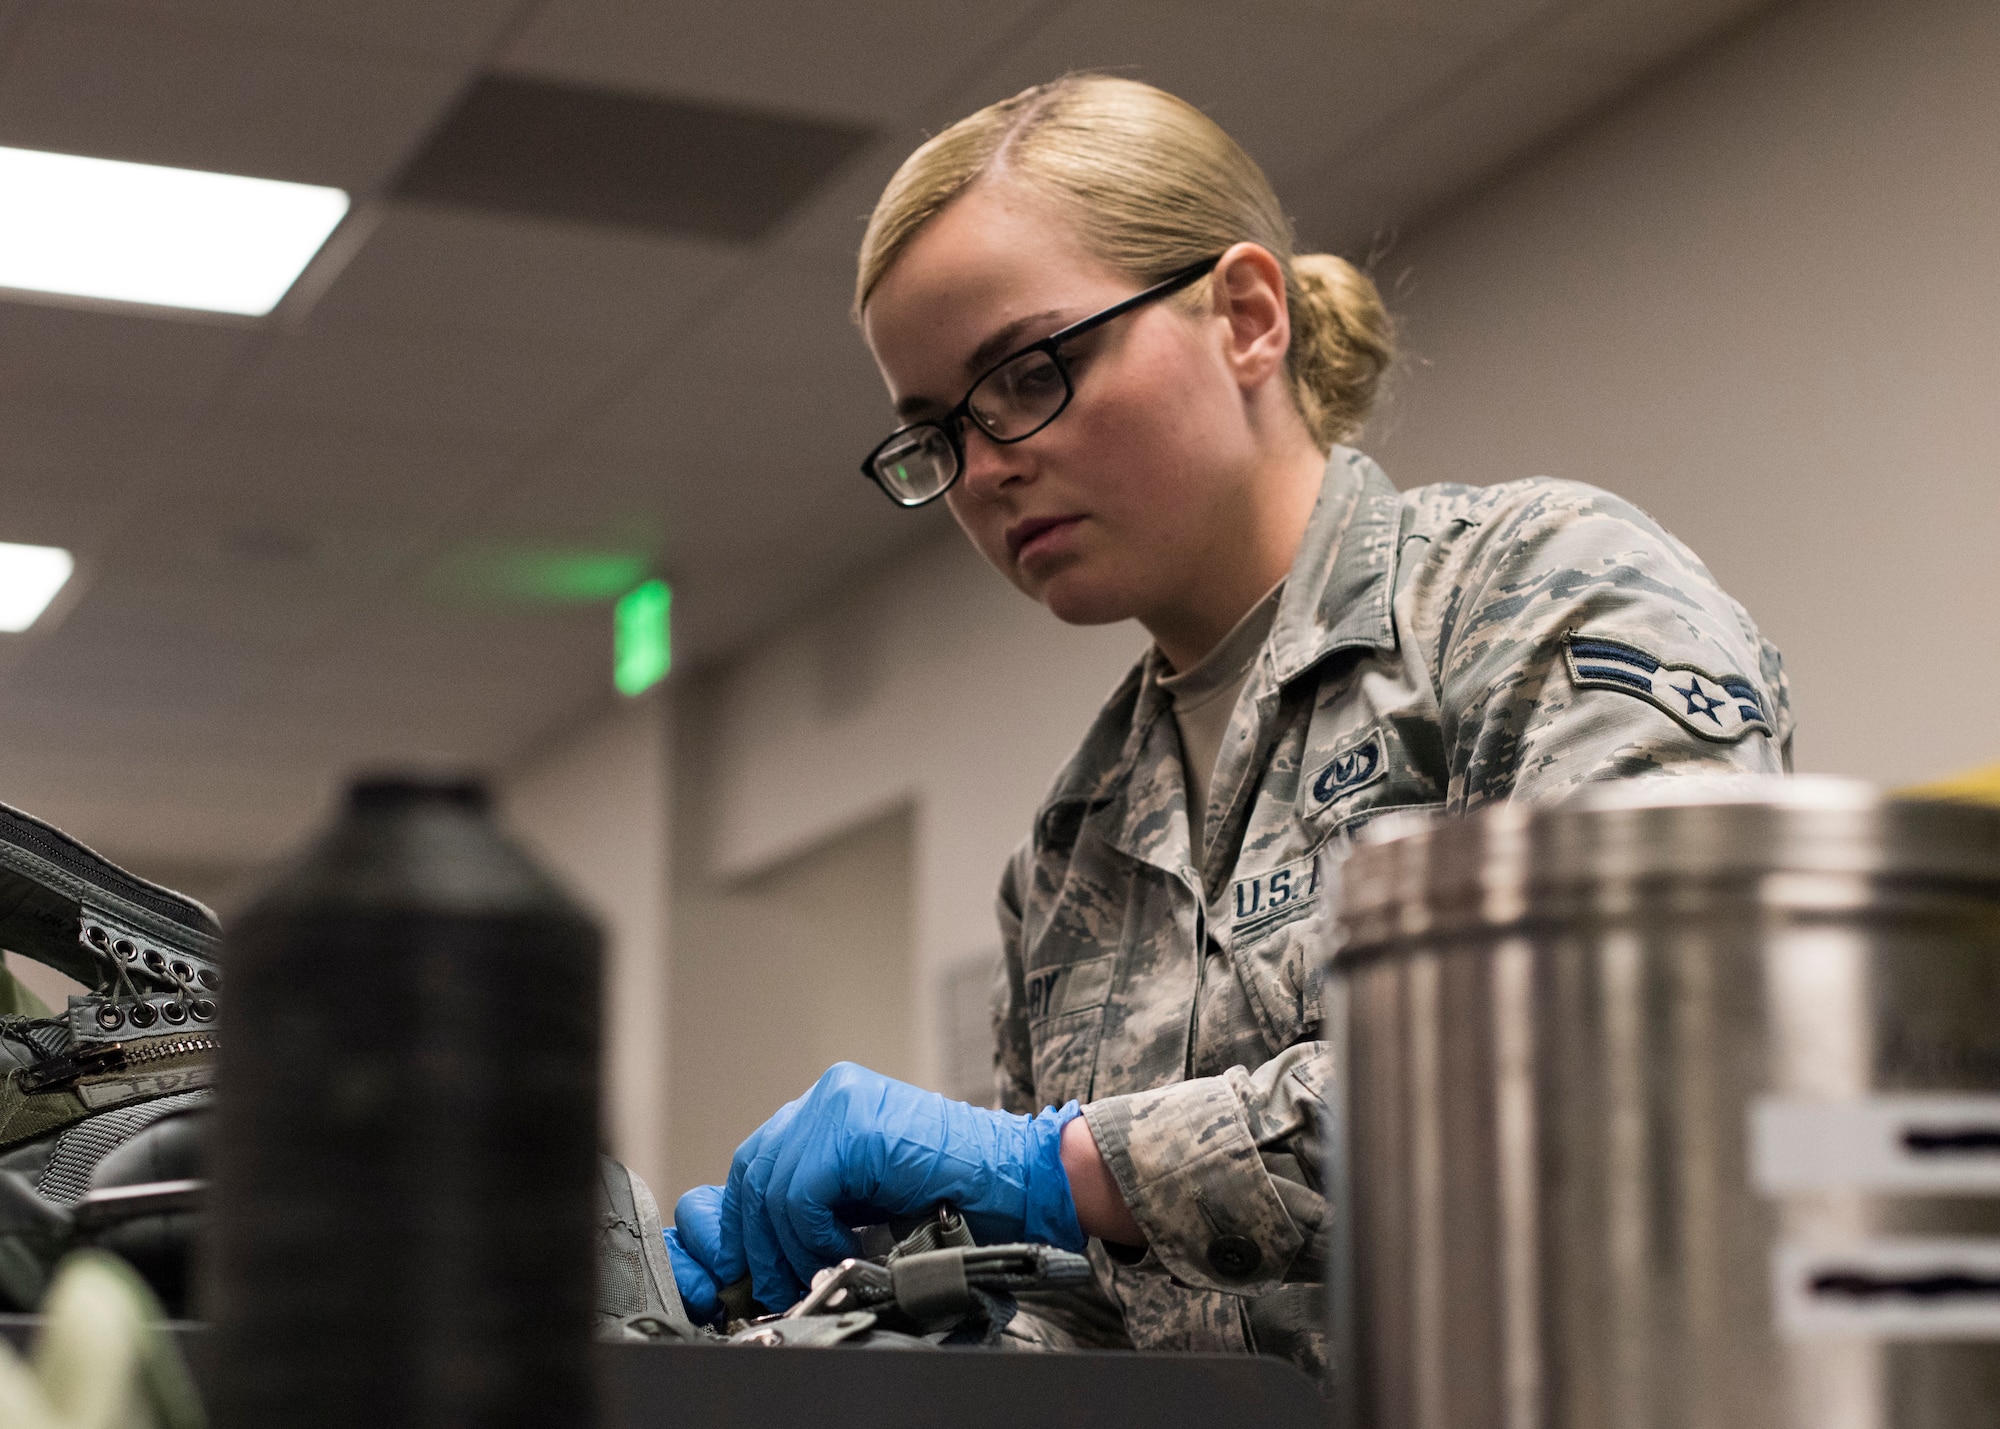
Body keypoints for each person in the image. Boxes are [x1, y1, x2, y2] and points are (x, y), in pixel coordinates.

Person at [666, 74, 1794, 1379]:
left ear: (1249, 318)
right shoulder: (1067, 854)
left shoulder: (1527, 591)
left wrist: (1066, 1164)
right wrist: (891, 1317)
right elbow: (1101, 1312)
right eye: (932, 432)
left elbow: (1640, 1056)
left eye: (1025, 376)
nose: (980, 469)